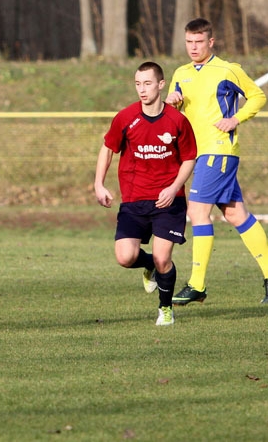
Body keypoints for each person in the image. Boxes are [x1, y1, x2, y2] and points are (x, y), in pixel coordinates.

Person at [166, 18, 268, 306]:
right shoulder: (181, 73)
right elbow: (177, 111)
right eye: (189, 42)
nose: (193, 47)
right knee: (236, 215)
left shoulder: (228, 70)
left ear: (211, 42)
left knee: (198, 212)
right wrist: (172, 101)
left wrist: (235, 119)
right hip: (195, 153)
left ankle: (197, 284)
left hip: (218, 150)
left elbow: (257, 96)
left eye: (199, 42)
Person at [94, 61, 197, 325]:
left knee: (165, 258)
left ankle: (165, 309)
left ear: (161, 85)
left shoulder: (177, 121)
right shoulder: (126, 117)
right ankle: (149, 264)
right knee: (125, 257)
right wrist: (98, 183)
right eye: (138, 84)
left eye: (148, 83)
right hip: (134, 200)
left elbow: (188, 159)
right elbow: (108, 148)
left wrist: (174, 188)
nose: (142, 89)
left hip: (168, 201)